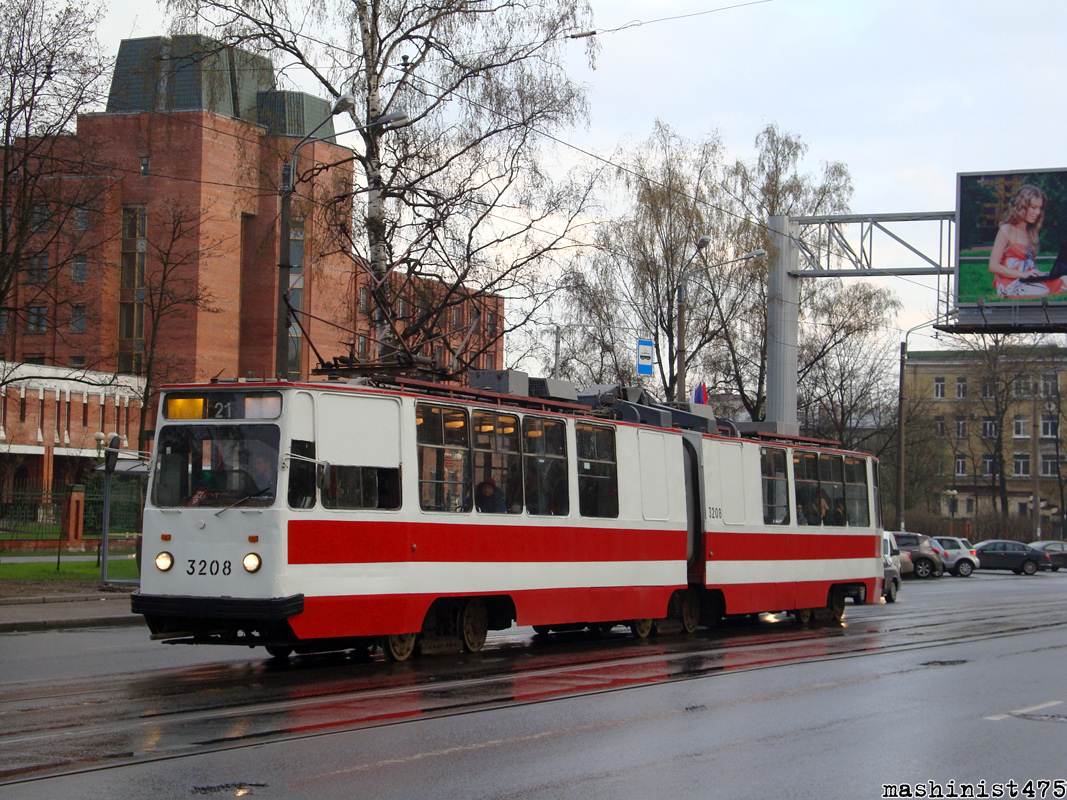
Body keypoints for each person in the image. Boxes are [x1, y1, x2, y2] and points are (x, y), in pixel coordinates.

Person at [988, 184, 1054, 297]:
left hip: (1029, 281)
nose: (1037, 212)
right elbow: (993, 266)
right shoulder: (1006, 229)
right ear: (1022, 207)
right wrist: (1023, 274)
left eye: (1040, 208)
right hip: (1011, 284)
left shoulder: (1032, 233)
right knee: (1044, 292)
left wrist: (1040, 274)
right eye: (1033, 207)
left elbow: (1030, 266)